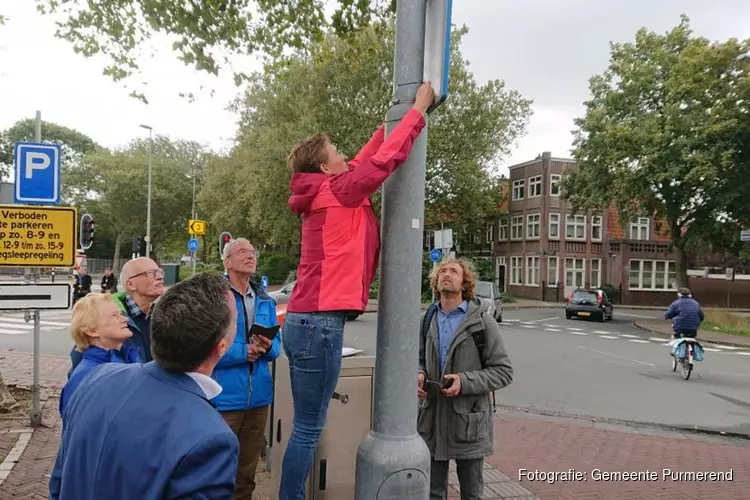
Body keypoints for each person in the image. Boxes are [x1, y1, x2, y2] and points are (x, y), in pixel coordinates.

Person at [278, 81, 435, 499]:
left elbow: (369, 153)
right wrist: (417, 111)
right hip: (318, 324)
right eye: (336, 153)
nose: (345, 156)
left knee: (306, 424)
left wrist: (395, 113)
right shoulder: (340, 191)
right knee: (309, 428)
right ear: (325, 168)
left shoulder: (330, 188)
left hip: (307, 322)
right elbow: (384, 161)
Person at [49, 274, 240, 500]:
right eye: (235, 321)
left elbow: (59, 483)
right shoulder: (213, 439)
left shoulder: (96, 379)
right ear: (221, 347)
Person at [417, 258, 513, 500]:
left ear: (465, 283)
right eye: (442, 271)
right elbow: (415, 357)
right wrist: (417, 374)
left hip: (468, 422)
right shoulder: (427, 319)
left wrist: (464, 381)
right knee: (432, 492)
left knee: (471, 494)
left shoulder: (482, 322)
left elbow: (503, 371)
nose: (446, 275)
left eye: (453, 272)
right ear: (436, 281)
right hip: (432, 419)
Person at [213, 238, 280, 499]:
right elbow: (205, 345)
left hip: (259, 399)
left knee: (246, 474)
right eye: (242, 251)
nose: (250, 256)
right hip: (223, 399)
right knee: (217, 472)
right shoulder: (215, 297)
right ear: (227, 262)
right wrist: (244, 352)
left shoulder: (265, 300)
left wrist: (267, 346)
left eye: (253, 252)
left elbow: (277, 348)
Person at [67, 257, 164, 377]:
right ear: (131, 284)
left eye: (160, 272)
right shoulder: (105, 315)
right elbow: (82, 367)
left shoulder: (164, 317)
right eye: (150, 273)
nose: (160, 277)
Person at [60, 293, 141, 416]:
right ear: (92, 331)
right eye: (114, 316)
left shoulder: (131, 357)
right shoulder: (86, 376)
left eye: (120, 314)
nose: (125, 319)